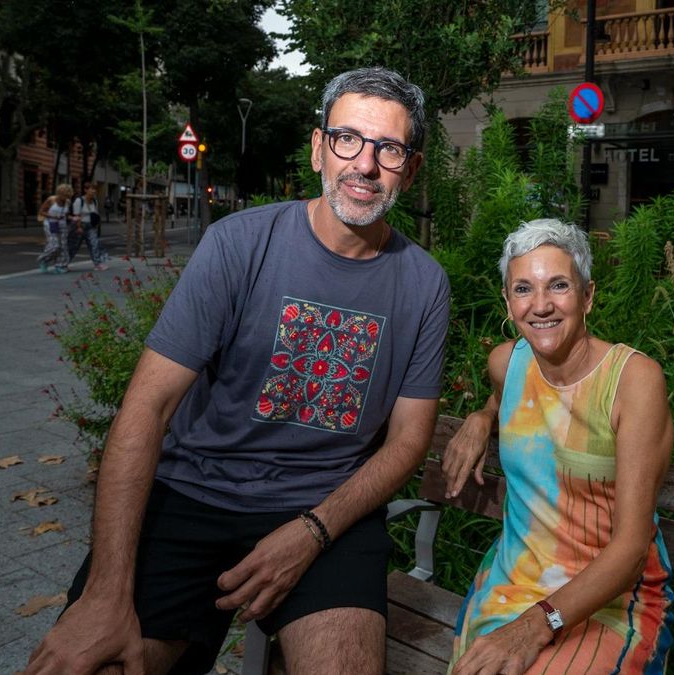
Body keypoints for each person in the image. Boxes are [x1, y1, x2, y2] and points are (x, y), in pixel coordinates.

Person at [24, 66, 449, 675]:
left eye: (389, 149)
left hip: (327, 507)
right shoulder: (239, 244)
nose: (365, 164)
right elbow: (147, 408)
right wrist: (104, 595)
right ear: (318, 148)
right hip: (192, 494)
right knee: (95, 662)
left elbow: (408, 442)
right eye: (347, 139)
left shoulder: (424, 283)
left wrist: (313, 531)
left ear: (412, 167)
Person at [443, 219, 674, 675]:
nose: (541, 305)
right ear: (507, 303)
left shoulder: (633, 382)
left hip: (611, 595)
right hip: (514, 581)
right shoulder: (506, 364)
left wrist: (535, 625)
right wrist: (483, 417)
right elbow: (503, 397)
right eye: (523, 289)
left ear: (587, 296)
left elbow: (631, 551)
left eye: (559, 285)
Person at [67, 182, 109, 271]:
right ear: (86, 190)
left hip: (90, 226)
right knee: (73, 246)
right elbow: (77, 215)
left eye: (95, 189)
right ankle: (64, 264)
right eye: (91, 189)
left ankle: (98, 264)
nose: (94, 191)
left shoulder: (94, 201)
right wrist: (79, 227)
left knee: (94, 244)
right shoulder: (79, 201)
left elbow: (95, 213)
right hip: (79, 225)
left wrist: (96, 225)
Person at [36, 183, 76, 274]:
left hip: (62, 224)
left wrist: (73, 218)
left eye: (68, 196)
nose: (66, 198)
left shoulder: (68, 202)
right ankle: (43, 259)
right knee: (55, 245)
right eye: (65, 196)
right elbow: (41, 212)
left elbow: (66, 215)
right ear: (59, 193)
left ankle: (60, 265)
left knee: (63, 246)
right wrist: (52, 216)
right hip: (50, 223)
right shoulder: (51, 200)